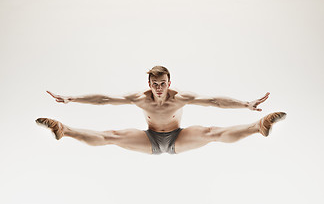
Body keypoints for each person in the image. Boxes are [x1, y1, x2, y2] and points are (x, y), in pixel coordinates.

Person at [36, 66, 286, 154]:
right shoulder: (140, 98)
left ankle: (258, 126)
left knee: (211, 132)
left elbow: (214, 102)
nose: (158, 88)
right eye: (154, 84)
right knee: (111, 135)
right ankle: (63, 129)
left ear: (169, 82)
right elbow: (104, 100)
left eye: (162, 84)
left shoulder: (181, 97)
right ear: (149, 84)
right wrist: (72, 98)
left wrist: (245, 104)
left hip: (179, 137)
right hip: (150, 139)